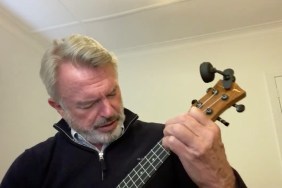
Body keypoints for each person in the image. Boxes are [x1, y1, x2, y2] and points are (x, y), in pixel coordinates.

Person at [0, 34, 246, 188]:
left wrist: (221, 179)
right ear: (58, 108)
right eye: (88, 104)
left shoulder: (171, 142)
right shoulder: (31, 167)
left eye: (111, 93)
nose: (108, 111)